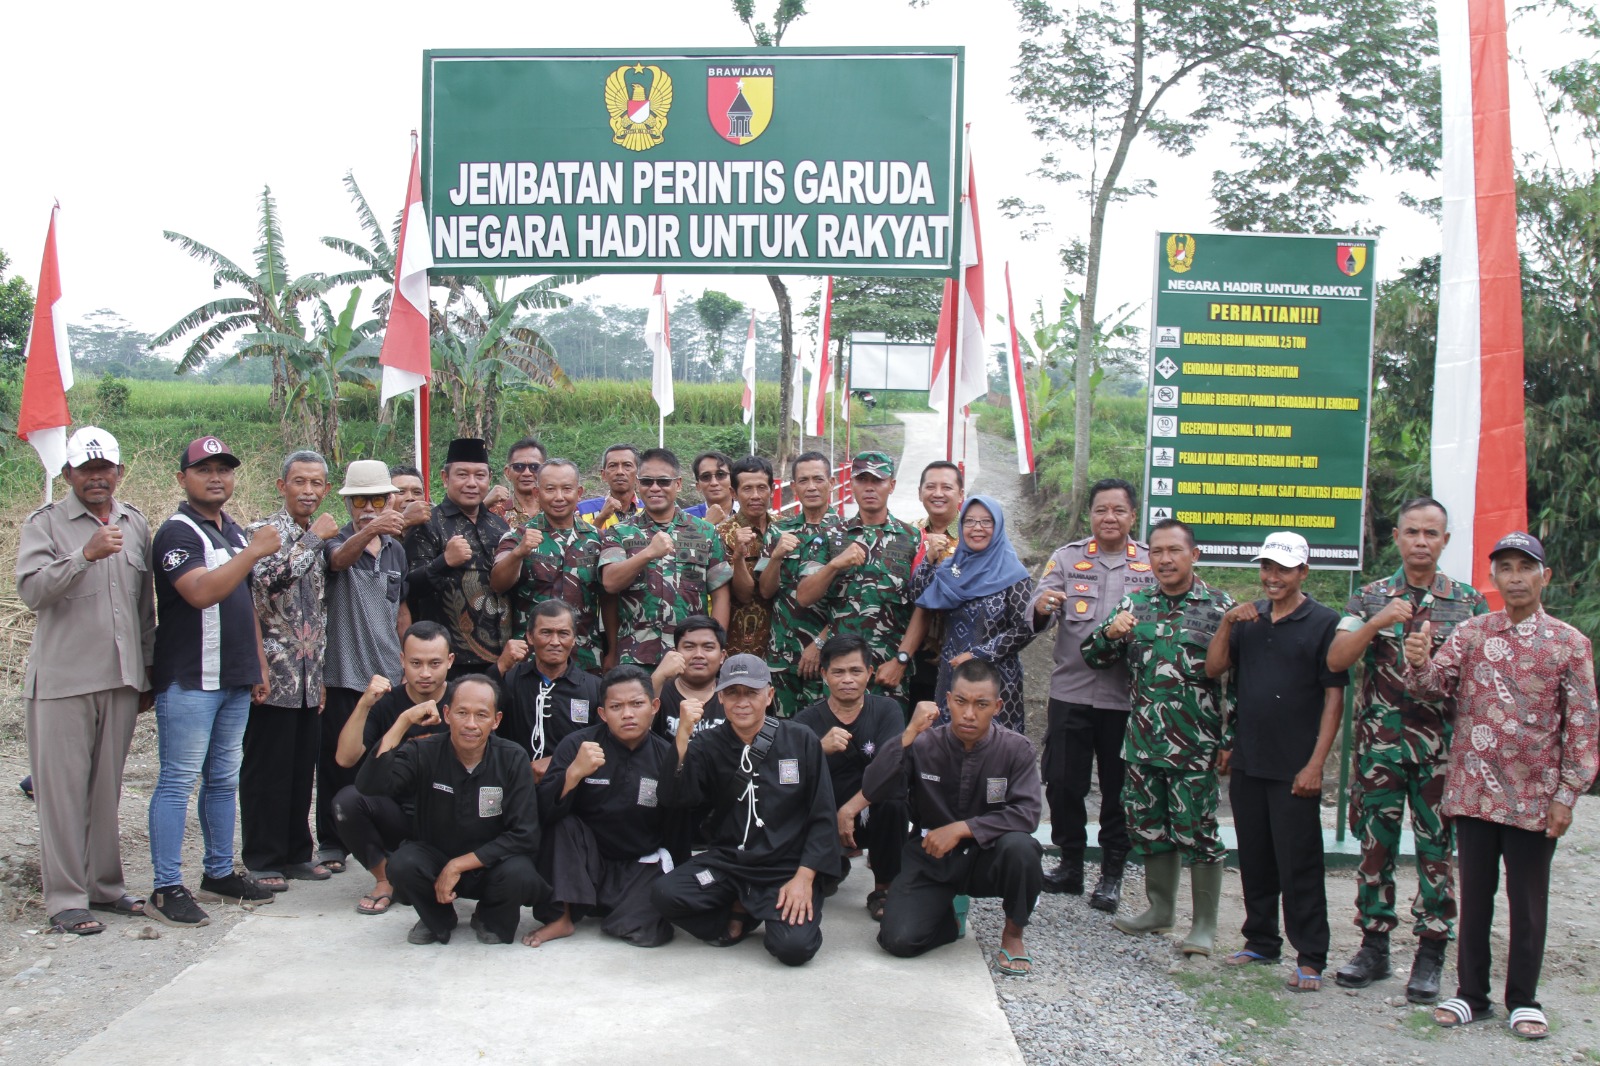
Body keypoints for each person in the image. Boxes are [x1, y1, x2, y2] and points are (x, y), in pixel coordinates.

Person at [1406, 533, 1598, 1039]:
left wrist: (1566, 795)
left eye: (1525, 568)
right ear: (1494, 577)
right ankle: (1471, 994)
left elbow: (1582, 725)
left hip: (1535, 798)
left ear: (1543, 577)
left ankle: (1523, 999)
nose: (1515, 577)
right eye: (1506, 568)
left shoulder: (1569, 644)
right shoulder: (1471, 634)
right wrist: (1421, 659)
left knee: (1528, 900)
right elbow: (1429, 691)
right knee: (1475, 896)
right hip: (1474, 791)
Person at [1327, 497, 1487, 999]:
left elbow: (1480, 678)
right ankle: (1373, 947)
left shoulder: (1467, 603)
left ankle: (1431, 953)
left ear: (1444, 541)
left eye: (1430, 534)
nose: (1420, 542)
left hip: (1440, 751)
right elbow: (1336, 658)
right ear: (1396, 536)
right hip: (1380, 749)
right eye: (1411, 532)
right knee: (1375, 848)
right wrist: (1376, 624)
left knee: (1438, 853)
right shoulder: (1370, 597)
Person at [16, 427, 154, 934]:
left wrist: (147, 671)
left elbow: (143, 607)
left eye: (105, 469)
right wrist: (84, 556)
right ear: (68, 473)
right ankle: (66, 899)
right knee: (61, 792)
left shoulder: (134, 523)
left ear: (119, 472)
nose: (97, 478)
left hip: (120, 680)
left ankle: (106, 887)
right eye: (86, 470)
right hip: (63, 681)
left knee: (105, 790)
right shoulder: (47, 524)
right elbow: (32, 591)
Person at [1205, 531, 1348, 992]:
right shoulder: (1247, 619)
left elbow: (1333, 700)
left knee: (1299, 862)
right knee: (1257, 858)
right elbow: (1215, 670)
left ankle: (1310, 955)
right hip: (1250, 758)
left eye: (1284, 569)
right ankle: (1261, 939)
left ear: (1303, 572)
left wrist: (1316, 764)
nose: (1273, 577)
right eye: (1267, 568)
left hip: (1295, 765)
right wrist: (1227, 622)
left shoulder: (1325, 623)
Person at [1081, 519, 1233, 955]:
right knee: (1148, 828)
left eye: (1174, 551)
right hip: (1144, 741)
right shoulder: (1136, 603)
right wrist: (1110, 633)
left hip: (1194, 745)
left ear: (1194, 555)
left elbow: (1237, 681)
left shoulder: (1220, 608)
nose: (1165, 559)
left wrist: (1231, 739)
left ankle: (1203, 925)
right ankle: (1159, 911)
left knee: (1198, 831)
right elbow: (1093, 655)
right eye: (1157, 552)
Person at [147, 436, 279, 926]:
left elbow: (245, 604)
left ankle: (220, 872)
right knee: (178, 780)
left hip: (233, 676)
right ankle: (165, 887)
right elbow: (201, 592)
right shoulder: (178, 533)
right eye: (204, 469)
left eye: (224, 468)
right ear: (183, 478)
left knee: (223, 780)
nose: (216, 477)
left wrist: (259, 666)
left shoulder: (231, 531)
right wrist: (255, 552)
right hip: (190, 677)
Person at [650, 655, 840, 966]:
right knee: (665, 894)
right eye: (733, 693)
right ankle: (742, 908)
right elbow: (674, 798)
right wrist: (683, 735)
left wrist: (805, 878)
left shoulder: (800, 740)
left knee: (794, 949)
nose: (742, 702)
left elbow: (822, 815)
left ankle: (756, 906)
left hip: (785, 867)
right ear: (720, 696)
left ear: (769, 695)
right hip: (730, 864)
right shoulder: (708, 743)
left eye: (751, 693)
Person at [866, 660, 1044, 974]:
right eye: (961, 702)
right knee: (897, 941)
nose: (969, 714)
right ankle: (945, 919)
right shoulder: (924, 743)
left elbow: (1026, 814)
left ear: (998, 706)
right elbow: (874, 787)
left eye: (981, 704)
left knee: (1022, 848)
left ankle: (1013, 934)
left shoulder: (1016, 750)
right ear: (947, 700)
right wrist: (908, 733)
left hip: (987, 857)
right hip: (931, 856)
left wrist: (963, 829)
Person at [1031, 478, 1155, 909]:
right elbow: (1037, 607)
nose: (1109, 518)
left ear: (1133, 516)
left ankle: (1112, 873)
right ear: (1090, 514)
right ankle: (1069, 865)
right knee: (1064, 782)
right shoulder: (1066, 559)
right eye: (1102, 509)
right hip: (1072, 692)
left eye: (1119, 510)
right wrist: (1043, 605)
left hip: (1126, 698)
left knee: (1119, 788)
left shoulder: (1150, 564)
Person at [355, 674, 547, 945]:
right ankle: (438, 918)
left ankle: (489, 916)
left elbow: (525, 834)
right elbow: (369, 785)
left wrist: (458, 865)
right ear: (446, 714)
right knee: (403, 864)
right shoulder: (423, 751)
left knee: (521, 873)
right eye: (461, 712)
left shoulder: (513, 757)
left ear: (497, 720)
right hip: (435, 859)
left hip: (490, 864)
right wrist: (403, 721)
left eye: (481, 715)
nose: (470, 724)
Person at [525, 665, 683, 948]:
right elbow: (543, 813)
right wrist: (573, 773)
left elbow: (676, 825)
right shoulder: (578, 745)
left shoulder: (665, 756)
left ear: (654, 706)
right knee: (562, 825)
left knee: (645, 933)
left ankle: (609, 904)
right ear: (602, 713)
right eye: (616, 706)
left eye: (637, 704)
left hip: (638, 864)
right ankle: (562, 915)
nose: (627, 714)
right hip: (585, 860)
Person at [241, 450, 341, 891]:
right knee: (268, 769)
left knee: (304, 768)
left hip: (308, 673)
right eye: (299, 482)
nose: (308, 491)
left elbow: (319, 612)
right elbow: (272, 580)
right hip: (273, 673)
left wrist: (319, 676)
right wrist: (314, 540)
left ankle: (298, 851)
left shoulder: (314, 534)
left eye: (316, 483)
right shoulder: (265, 532)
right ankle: (263, 857)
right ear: (282, 486)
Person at [318, 460, 411, 874]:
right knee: (337, 761)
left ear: (390, 498)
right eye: (360, 500)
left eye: (376, 498)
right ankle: (332, 842)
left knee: (385, 760)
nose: (368, 508)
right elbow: (338, 562)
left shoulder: (396, 550)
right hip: (344, 671)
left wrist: (406, 663)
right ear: (348, 504)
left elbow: (400, 609)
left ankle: (378, 837)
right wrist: (371, 529)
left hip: (387, 671)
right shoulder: (335, 541)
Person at [331, 622, 453, 916]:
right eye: (416, 663)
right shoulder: (387, 704)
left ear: (450, 661)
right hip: (400, 814)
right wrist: (364, 705)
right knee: (346, 802)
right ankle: (385, 879)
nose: (425, 673)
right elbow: (346, 759)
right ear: (401, 661)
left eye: (434, 663)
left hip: (452, 815)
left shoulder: (464, 699)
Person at [794, 634, 909, 921]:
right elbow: (787, 773)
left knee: (895, 799)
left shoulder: (887, 710)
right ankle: (831, 865)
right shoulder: (805, 721)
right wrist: (818, 748)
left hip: (870, 813)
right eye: (838, 672)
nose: (848, 679)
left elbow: (890, 766)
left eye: (856, 671)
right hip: (823, 818)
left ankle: (883, 887)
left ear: (870, 673)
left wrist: (849, 810)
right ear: (824, 674)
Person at [797, 452, 921, 706]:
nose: (869, 487)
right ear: (851, 485)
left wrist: (901, 660)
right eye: (862, 480)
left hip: (889, 669)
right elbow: (804, 596)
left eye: (878, 480)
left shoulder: (912, 538)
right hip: (840, 669)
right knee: (834, 741)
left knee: (887, 744)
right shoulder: (830, 536)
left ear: (892, 485)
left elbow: (922, 608)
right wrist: (834, 564)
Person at [911, 496, 1036, 732]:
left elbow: (1025, 629)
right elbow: (920, 597)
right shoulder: (953, 567)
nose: (977, 528)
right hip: (953, 676)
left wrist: (979, 654)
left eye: (986, 522)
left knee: (996, 755)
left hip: (997, 679)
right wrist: (928, 561)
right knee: (949, 749)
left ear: (997, 526)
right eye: (969, 521)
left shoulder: (1013, 573)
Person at [599, 447, 732, 669]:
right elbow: (610, 584)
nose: (654, 488)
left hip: (690, 658)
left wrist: (713, 648)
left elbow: (721, 596)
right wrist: (648, 553)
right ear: (637, 484)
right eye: (647, 481)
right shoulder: (619, 533)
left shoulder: (706, 532)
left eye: (663, 481)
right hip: (634, 656)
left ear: (678, 484)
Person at [404, 438, 511, 675]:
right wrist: (444, 562)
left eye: (480, 475)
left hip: (502, 657)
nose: (472, 483)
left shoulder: (499, 526)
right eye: (462, 475)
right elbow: (408, 588)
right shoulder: (428, 525)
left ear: (489, 478)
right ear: (445, 478)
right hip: (448, 659)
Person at [490, 458, 605, 673]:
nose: (559, 497)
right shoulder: (518, 536)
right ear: (537, 493)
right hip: (531, 658)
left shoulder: (597, 539)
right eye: (550, 489)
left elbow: (607, 598)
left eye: (567, 489)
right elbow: (498, 583)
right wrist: (519, 553)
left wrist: (611, 652)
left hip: (585, 656)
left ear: (579, 493)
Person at [761, 451, 843, 717]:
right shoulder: (778, 530)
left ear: (831, 483)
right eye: (803, 480)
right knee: (785, 738)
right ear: (793, 487)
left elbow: (853, 600)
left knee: (825, 735)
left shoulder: (847, 533)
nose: (811, 487)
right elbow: (765, 591)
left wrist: (820, 643)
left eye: (818, 479)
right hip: (782, 655)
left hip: (829, 656)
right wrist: (775, 557)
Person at [495, 600, 605, 778]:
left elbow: (603, 744)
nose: (555, 642)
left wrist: (557, 761)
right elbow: (480, 715)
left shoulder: (593, 688)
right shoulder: (510, 679)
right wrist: (499, 667)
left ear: (574, 638)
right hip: (516, 784)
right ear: (530, 636)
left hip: (573, 790)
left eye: (563, 633)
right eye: (546, 632)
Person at [906, 461, 962, 708]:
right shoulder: (908, 533)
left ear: (960, 494)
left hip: (957, 651)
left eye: (946, 487)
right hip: (910, 649)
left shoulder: (973, 535)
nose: (938, 493)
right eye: (930, 486)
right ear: (920, 492)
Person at [718, 455, 777, 658]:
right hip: (740, 644)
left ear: (773, 489)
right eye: (747, 489)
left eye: (762, 488)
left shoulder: (786, 529)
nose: (755, 496)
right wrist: (738, 556)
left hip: (782, 641)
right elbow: (742, 595)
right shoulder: (721, 534)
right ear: (734, 492)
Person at [650, 616, 729, 738]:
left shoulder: (731, 694)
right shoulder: (660, 691)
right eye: (689, 647)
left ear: (722, 656)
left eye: (708, 647)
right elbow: (638, 730)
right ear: (674, 653)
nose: (698, 655)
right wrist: (658, 676)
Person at [577, 444, 644, 531]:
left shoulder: (649, 510)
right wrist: (601, 518)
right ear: (603, 475)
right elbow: (580, 544)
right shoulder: (583, 510)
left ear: (637, 474)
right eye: (613, 466)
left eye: (627, 465)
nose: (620, 472)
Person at [486, 436, 544, 527]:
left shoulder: (557, 509)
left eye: (534, 467)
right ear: (508, 472)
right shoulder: (494, 513)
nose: (527, 473)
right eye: (519, 467)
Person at [685, 449, 735, 524]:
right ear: (698, 486)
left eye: (720, 475)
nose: (714, 483)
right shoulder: (684, 518)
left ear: (732, 479)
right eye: (706, 477)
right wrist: (708, 524)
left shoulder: (750, 513)